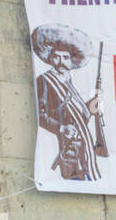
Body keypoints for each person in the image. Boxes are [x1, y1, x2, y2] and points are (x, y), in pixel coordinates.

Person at [31, 23, 107, 181]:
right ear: (50, 58)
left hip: (83, 149)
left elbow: (76, 117)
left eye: (65, 57)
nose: (60, 61)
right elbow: (40, 114)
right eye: (56, 56)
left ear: (72, 61)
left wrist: (90, 108)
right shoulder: (45, 81)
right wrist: (61, 127)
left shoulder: (69, 83)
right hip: (68, 151)